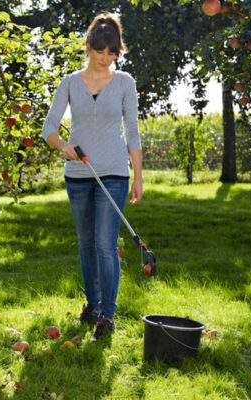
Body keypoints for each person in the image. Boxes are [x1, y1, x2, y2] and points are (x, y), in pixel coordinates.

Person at [41, 12, 143, 340]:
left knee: (104, 243)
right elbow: (49, 129)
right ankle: (93, 304)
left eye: (112, 53)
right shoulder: (69, 83)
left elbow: (133, 133)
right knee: (86, 244)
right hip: (78, 174)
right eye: (100, 51)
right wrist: (64, 146)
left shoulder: (125, 83)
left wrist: (138, 176)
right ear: (89, 47)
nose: (105, 58)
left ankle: (107, 315)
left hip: (113, 174)